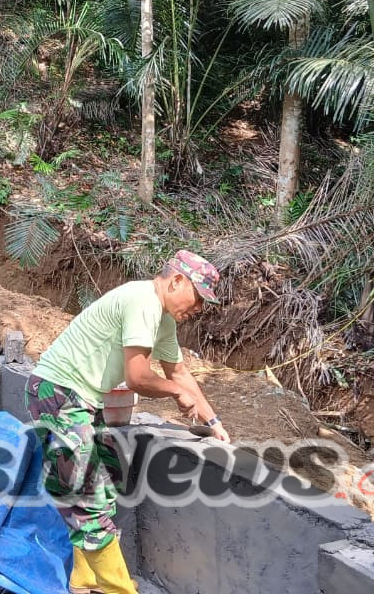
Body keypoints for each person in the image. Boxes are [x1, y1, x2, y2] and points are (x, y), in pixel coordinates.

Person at [25, 250, 228, 594]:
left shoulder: (161, 319)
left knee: (98, 494)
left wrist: (214, 421)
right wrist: (176, 392)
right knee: (86, 497)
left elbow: (178, 370)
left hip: (83, 401)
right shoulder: (143, 300)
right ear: (177, 280)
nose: (199, 310)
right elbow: (137, 377)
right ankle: (121, 590)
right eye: (198, 298)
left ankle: (85, 578)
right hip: (58, 394)